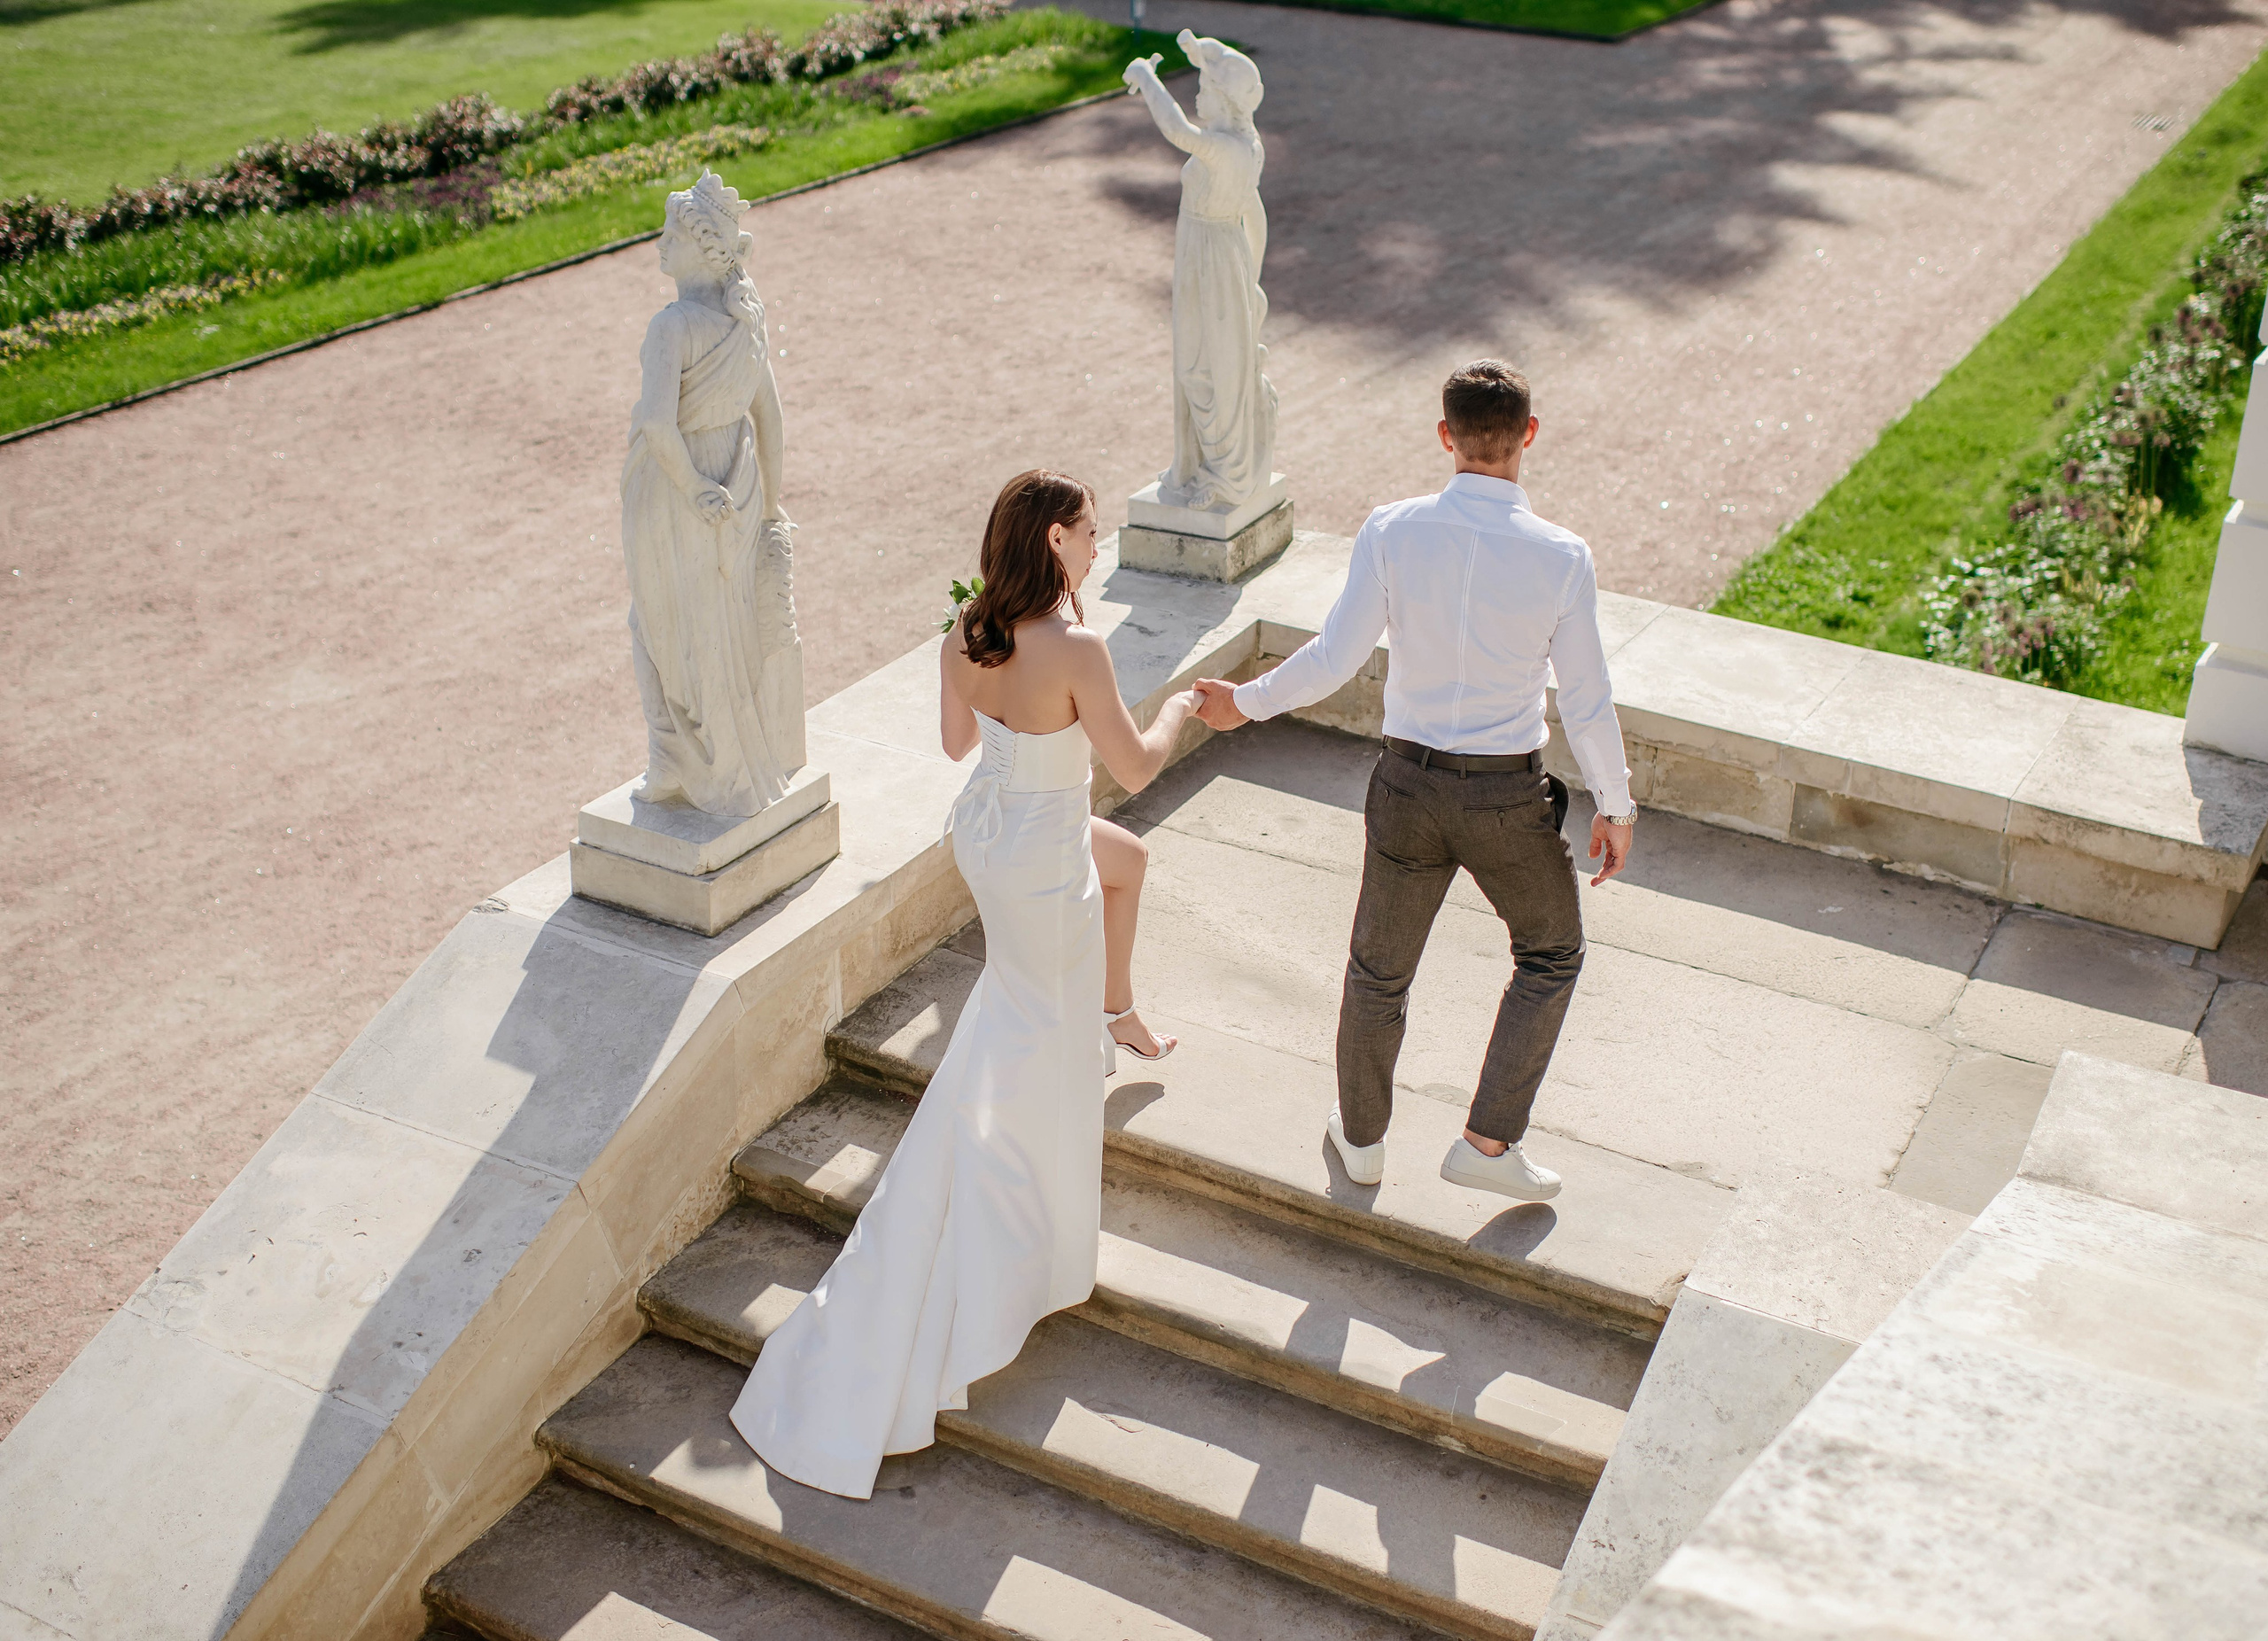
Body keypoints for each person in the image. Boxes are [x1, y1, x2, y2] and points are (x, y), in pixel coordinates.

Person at [730, 470, 1200, 1499]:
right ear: (1055, 541)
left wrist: (1009, 719)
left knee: (1103, 890)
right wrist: (1180, 709)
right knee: (1028, 1028)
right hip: (1040, 853)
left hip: (993, 834)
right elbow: (1135, 766)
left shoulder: (969, 628)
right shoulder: (1075, 647)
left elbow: (956, 744)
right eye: (1089, 531)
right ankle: (1005, 1229)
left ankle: (1117, 1012)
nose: (1097, 544)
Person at [1193, 361, 1636, 1202]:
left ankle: (1362, 1141)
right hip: (1506, 799)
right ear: (1529, 435)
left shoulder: (1392, 530)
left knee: (1378, 973)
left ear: (1445, 435)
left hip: (1406, 788)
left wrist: (1242, 704)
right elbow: (1585, 699)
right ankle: (1487, 1143)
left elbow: (1335, 657)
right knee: (1551, 953)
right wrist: (1615, 805)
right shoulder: (1562, 556)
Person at [619, 170, 804, 817]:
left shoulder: (671, 326)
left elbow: (656, 424)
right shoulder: (746, 320)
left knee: (656, 626)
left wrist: (695, 487)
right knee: (723, 629)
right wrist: (770, 505)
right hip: (736, 484)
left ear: (702, 250)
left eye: (671, 236)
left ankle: (675, 757)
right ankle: (722, 758)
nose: (659, 245)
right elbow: (770, 419)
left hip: (675, 493)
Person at [1122, 31, 1277, 512]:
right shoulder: (1247, 145)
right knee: (1199, 363)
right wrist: (1253, 276)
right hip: (1213, 257)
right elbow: (1254, 213)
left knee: (1210, 367)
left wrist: (1146, 77)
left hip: (1212, 261)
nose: (1197, 94)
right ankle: (1198, 463)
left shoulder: (1228, 148)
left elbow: (1178, 131)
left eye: (1205, 88)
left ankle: (1226, 473)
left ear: (1226, 100)